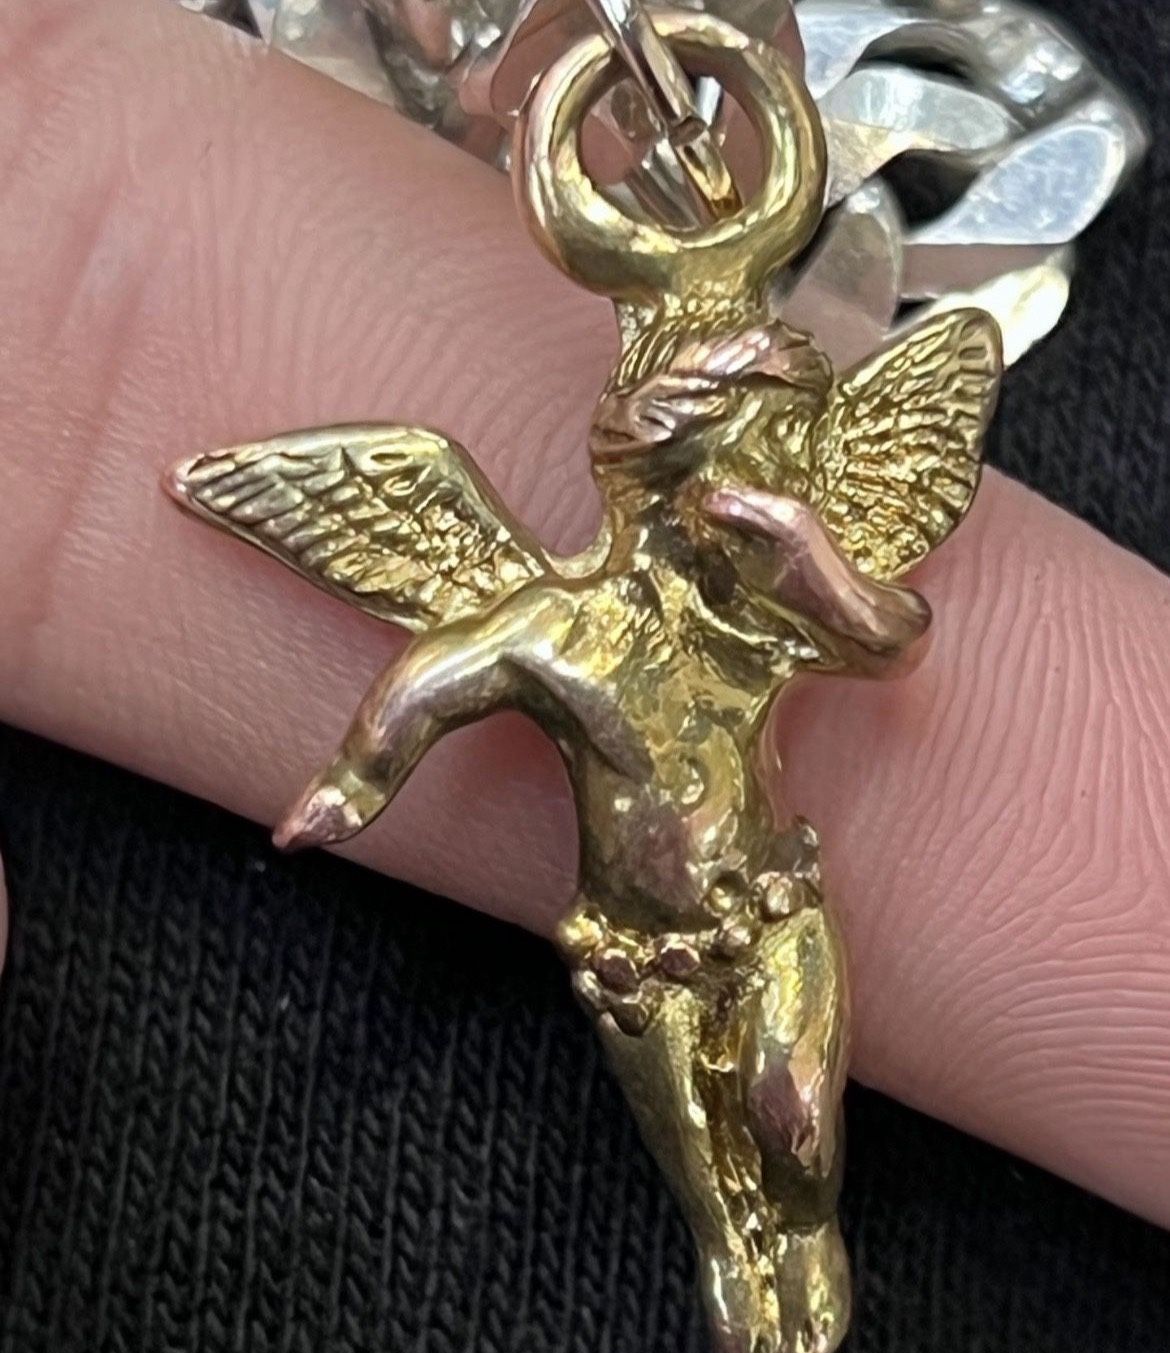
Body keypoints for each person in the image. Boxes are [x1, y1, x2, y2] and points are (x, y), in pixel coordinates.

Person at [0, 0, 1167, 1234]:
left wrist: (809, 552)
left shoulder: (756, 614)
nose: (744, 499)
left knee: (794, 1127)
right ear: (647, 484)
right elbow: (439, 674)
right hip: (631, 951)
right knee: (714, 1187)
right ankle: (743, 1255)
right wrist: (352, 784)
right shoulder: (570, 629)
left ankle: (798, 1234)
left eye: (767, 472)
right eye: (724, 475)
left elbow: (892, 640)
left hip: (775, 905)